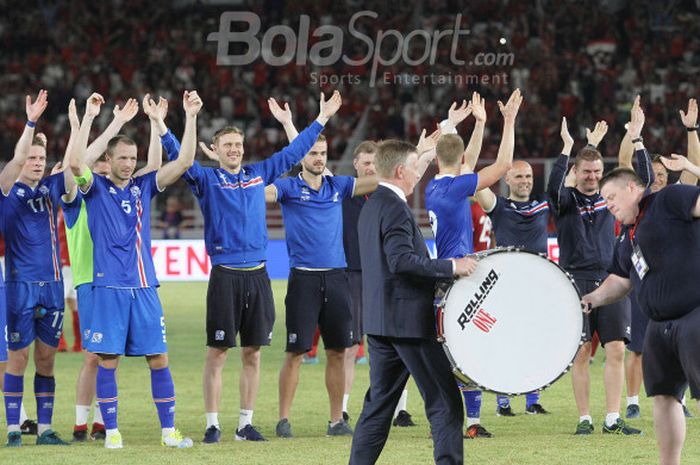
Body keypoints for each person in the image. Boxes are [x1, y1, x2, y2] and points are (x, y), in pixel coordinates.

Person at [164, 91, 343, 443]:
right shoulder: (207, 180)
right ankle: (213, 424)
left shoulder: (259, 174)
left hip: (258, 276)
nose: (234, 149)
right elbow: (178, 157)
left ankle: (245, 424)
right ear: (214, 150)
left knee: (253, 352)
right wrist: (171, 122)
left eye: (237, 144)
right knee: (217, 353)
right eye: (227, 144)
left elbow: (293, 154)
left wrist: (321, 119)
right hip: (225, 275)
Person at [69, 91, 201, 449]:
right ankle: (111, 432)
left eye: (132, 157)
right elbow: (77, 162)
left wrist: (185, 118)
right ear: (108, 160)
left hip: (144, 288)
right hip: (108, 288)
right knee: (107, 363)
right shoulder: (94, 190)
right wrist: (104, 120)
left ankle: (168, 432)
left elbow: (186, 161)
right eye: (121, 158)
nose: (128, 163)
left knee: (159, 359)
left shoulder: (144, 187)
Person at [582, 97, 699, 465]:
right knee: (664, 398)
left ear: (633, 189)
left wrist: (693, 164)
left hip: (695, 318)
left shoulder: (671, 199)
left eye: (611, 197)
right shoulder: (626, 235)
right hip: (658, 328)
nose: (608, 205)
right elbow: (620, 282)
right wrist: (589, 300)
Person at [349, 139, 479, 465]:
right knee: (446, 403)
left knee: (378, 408)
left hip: (380, 322)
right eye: (413, 166)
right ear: (399, 171)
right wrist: (451, 267)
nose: (418, 173)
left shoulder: (371, 206)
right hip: (408, 323)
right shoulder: (394, 207)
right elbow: (401, 261)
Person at [264, 98, 380, 438]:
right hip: (303, 279)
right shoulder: (287, 188)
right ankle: (284, 419)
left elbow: (380, 180)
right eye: (313, 153)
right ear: (302, 156)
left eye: (323, 154)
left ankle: (336, 420)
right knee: (296, 352)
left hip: (337, 278)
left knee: (337, 351)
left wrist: (421, 153)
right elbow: (256, 193)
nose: (318, 158)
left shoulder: (338, 187)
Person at [63, 94, 162, 442]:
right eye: (107, 163)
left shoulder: (121, 190)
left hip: (116, 279)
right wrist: (106, 122)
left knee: (101, 356)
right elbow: (78, 162)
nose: (108, 170)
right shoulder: (79, 192)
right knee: (96, 356)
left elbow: (150, 168)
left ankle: (102, 424)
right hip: (93, 280)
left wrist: (150, 123)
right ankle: (82, 424)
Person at [426, 89, 521, 438]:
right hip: (458, 277)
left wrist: (474, 124)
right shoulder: (454, 188)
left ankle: (467, 422)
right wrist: (507, 121)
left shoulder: (436, 186)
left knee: (460, 348)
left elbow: (465, 161)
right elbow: (503, 165)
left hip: (447, 276)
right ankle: (463, 421)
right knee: (467, 348)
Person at [547, 103, 646, 435]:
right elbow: (552, 188)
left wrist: (636, 136)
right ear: (576, 171)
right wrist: (565, 148)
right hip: (574, 280)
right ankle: (585, 419)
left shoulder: (610, 198)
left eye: (596, 171)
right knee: (580, 353)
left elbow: (641, 182)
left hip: (612, 279)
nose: (591, 176)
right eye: (585, 171)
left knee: (616, 348)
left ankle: (613, 418)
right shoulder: (564, 202)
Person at [2, 90, 78, 447]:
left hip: (52, 285)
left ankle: (45, 428)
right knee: (17, 360)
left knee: (47, 360)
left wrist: (79, 126)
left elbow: (75, 166)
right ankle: (13, 429)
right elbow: (16, 160)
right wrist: (31, 122)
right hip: (20, 285)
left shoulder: (51, 187)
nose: (35, 162)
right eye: (31, 157)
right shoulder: (6, 191)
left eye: (41, 157)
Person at [617, 98, 699, 420]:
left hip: (678, 288)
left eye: (664, 173)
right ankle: (636, 400)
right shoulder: (634, 205)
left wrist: (691, 130)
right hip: (640, 282)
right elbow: (624, 161)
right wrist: (633, 133)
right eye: (655, 173)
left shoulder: (674, 199)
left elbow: (693, 165)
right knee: (637, 347)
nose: (660, 177)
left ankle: (681, 400)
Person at [473, 158, 551, 416]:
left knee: (535, 342)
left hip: (536, 284)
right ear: (506, 180)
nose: (525, 181)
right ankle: (502, 401)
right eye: (518, 177)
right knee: (503, 342)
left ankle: (533, 400)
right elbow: (476, 184)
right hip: (505, 285)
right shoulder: (499, 206)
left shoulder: (543, 204)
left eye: (528, 176)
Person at [340, 140, 377, 424]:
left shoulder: (386, 195)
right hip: (352, 275)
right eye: (366, 163)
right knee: (351, 347)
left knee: (387, 344)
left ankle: (396, 408)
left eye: (375, 163)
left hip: (382, 276)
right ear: (356, 164)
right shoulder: (344, 192)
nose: (371, 168)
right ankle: (341, 407)